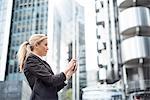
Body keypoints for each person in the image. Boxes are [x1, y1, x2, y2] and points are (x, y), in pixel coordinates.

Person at [17, 34, 77, 100]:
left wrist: (69, 74)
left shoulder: (42, 63)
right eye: (45, 45)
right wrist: (67, 68)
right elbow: (51, 80)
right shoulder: (30, 60)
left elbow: (54, 87)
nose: (47, 48)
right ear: (36, 45)